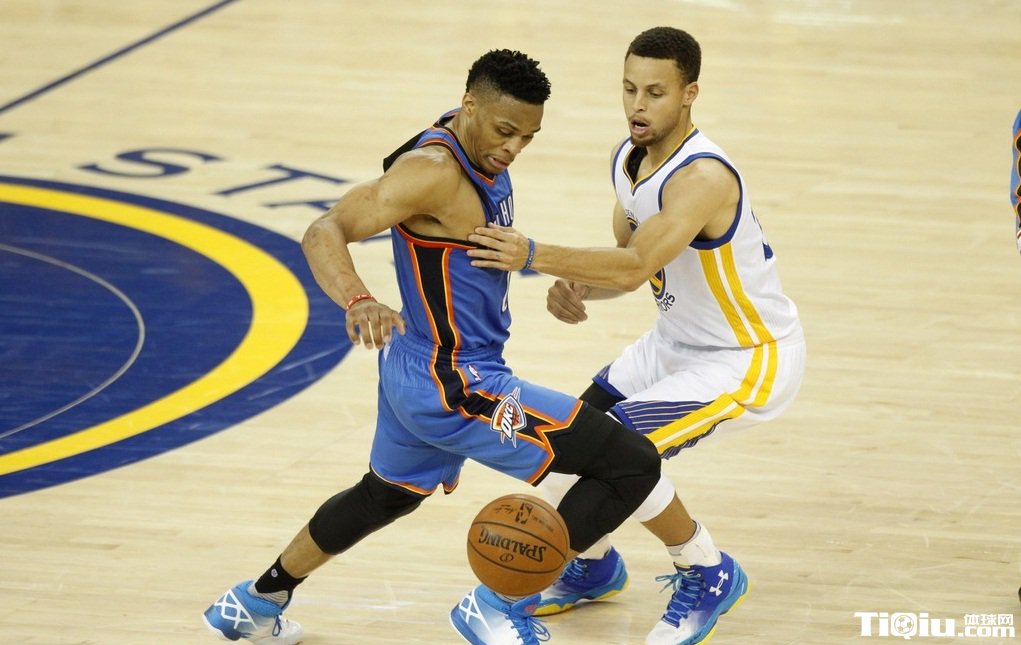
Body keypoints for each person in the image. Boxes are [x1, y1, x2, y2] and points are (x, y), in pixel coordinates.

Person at [201, 49, 665, 645]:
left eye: (528, 137)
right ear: (470, 105)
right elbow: (324, 229)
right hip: (458, 382)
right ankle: (496, 606)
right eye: (504, 131)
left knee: (384, 496)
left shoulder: (464, 137)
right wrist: (357, 298)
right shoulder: (433, 172)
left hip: (414, 372)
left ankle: (255, 602)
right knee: (630, 463)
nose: (513, 148)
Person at [466, 27, 807, 645]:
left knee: (624, 451)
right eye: (629, 90)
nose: (637, 106)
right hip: (671, 342)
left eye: (655, 92)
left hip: (745, 356)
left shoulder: (702, 178)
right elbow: (633, 268)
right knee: (564, 445)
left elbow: (633, 265)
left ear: (689, 94)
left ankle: (707, 570)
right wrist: (578, 288)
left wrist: (533, 254)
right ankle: (593, 567)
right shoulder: (628, 159)